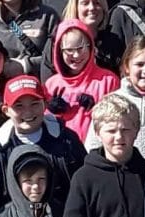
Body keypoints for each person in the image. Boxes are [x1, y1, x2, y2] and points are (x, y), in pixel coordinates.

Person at [0, 73, 86, 217]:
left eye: (34, 104)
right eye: (18, 106)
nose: (27, 112)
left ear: (45, 104)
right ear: (5, 110)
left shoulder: (66, 139)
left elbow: (86, 186)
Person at [43, 17, 120, 145]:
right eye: (69, 50)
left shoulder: (108, 80)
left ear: (91, 47)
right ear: (59, 51)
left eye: (81, 48)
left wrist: (95, 110)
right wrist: (50, 112)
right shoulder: (51, 85)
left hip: (94, 152)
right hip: (61, 153)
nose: (76, 55)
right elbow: (39, 124)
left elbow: (117, 120)